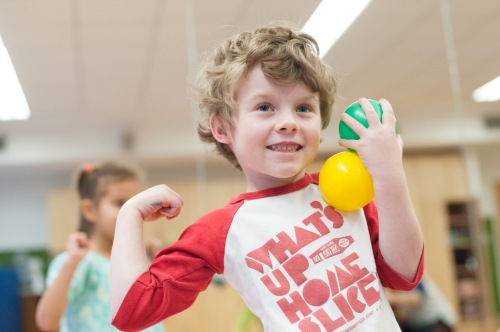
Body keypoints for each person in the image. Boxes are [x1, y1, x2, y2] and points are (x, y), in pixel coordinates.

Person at [110, 22, 425, 332]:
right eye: (264, 106)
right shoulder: (220, 231)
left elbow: (405, 275)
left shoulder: (344, 187)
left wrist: (389, 174)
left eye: (303, 107)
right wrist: (129, 214)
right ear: (222, 128)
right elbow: (133, 312)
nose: (288, 122)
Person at [35, 162, 165, 332]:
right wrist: (71, 263)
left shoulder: (142, 260)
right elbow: (45, 321)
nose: (132, 211)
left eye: (135, 204)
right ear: (89, 210)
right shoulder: (80, 262)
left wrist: (158, 265)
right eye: (120, 203)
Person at [386, 275, 457, 332]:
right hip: (420, 324)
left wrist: (390, 298)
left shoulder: (410, 275)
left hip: (435, 322)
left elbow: (417, 298)